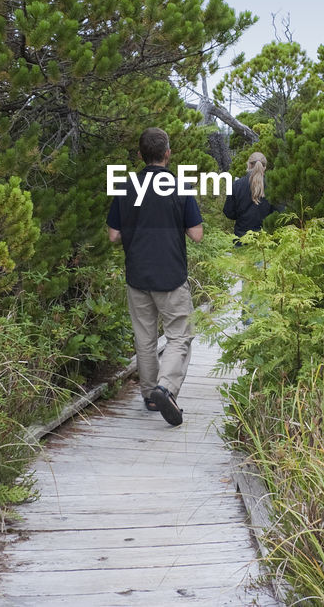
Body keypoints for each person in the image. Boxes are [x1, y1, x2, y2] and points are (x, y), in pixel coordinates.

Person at [106, 128, 202, 426]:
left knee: (145, 338)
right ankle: (166, 388)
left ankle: (150, 395)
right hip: (171, 274)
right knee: (179, 336)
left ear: (140, 155)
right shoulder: (179, 187)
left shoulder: (125, 187)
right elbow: (197, 235)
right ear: (167, 154)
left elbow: (113, 236)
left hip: (137, 274)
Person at [223, 152, 274, 243]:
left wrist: (241, 216)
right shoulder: (273, 186)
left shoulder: (236, 185)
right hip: (266, 241)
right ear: (265, 167)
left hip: (241, 238)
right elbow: (279, 213)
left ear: (248, 165)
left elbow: (228, 212)